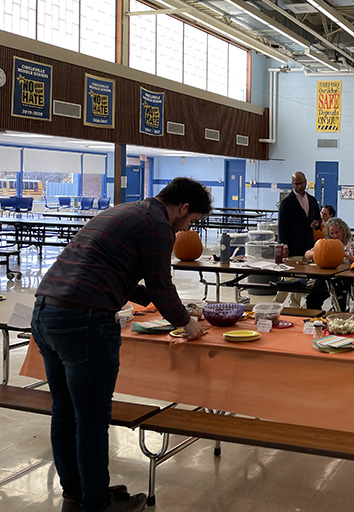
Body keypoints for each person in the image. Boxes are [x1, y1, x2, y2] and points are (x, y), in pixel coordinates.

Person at [31, 178, 212, 512]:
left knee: (65, 411)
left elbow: (111, 272)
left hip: (46, 312)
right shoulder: (160, 225)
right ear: (184, 208)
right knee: (91, 417)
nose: (188, 228)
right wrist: (186, 324)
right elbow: (161, 283)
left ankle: (78, 492)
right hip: (85, 322)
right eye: (192, 221)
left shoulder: (127, 211)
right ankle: (96, 503)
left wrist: (151, 301)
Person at [305, 217, 354, 311]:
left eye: (337, 232)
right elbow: (307, 254)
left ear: (343, 230)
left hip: (347, 278)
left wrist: (347, 256)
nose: (334, 236)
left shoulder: (353, 243)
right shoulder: (326, 243)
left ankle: (340, 315)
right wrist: (318, 253)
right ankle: (317, 320)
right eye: (332, 233)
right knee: (312, 299)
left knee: (340, 294)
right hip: (327, 277)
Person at [277, 171, 321, 257]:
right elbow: (282, 226)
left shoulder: (312, 200)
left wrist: (317, 224)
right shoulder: (286, 203)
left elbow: (318, 218)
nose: (300, 186)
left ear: (306, 182)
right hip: (294, 246)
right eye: (296, 184)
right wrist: (284, 246)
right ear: (292, 184)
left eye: (302, 183)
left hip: (309, 245)